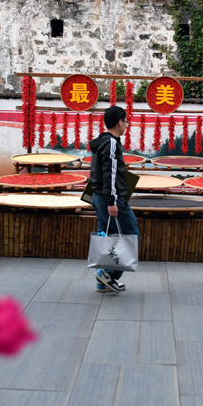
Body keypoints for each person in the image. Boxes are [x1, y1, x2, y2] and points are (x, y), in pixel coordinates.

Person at [88, 106, 139, 293]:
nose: (127, 124)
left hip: (100, 197)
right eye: (126, 121)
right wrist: (112, 201)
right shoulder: (110, 143)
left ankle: (103, 282)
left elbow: (98, 172)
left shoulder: (103, 141)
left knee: (107, 238)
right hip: (110, 199)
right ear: (119, 122)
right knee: (131, 235)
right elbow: (109, 173)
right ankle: (106, 272)